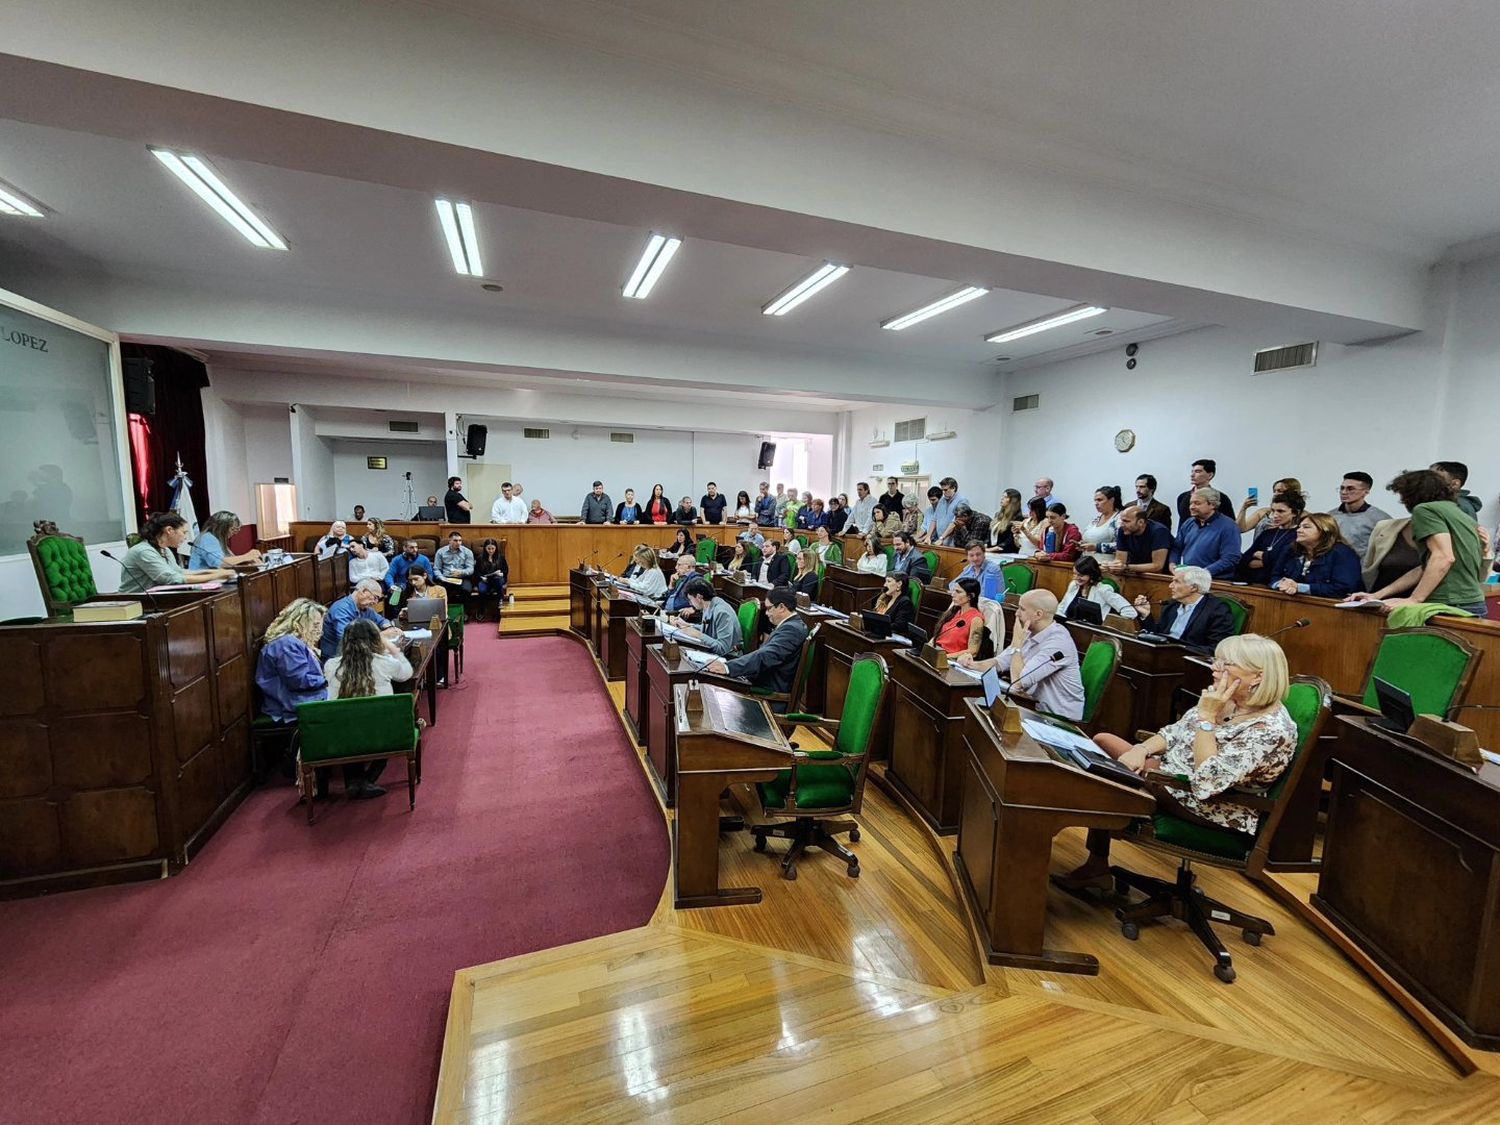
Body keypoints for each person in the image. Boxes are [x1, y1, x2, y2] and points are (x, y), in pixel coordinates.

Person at [1057, 634, 1298, 890]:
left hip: (1212, 804)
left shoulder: (1271, 729)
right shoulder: (1225, 700)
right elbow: (1173, 733)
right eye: (1216, 661)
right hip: (1167, 774)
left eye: (1226, 664)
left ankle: (1092, 859)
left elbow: (1206, 781)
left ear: (1258, 676)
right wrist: (1141, 749)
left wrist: (1207, 718)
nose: (1215, 669)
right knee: (1104, 742)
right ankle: (1096, 860)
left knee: (1113, 775)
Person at [1350, 469, 1486, 616]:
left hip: (1448, 604)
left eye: (1402, 495)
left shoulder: (1424, 510)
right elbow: (1426, 567)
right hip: (1473, 602)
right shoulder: (1460, 514)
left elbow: (1443, 557)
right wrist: (1377, 595)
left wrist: (1414, 599)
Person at [961, 589, 1084, 720]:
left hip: (1055, 718)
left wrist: (1018, 643)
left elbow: (1018, 682)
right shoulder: (1029, 631)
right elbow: (999, 663)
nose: (1016, 613)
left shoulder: (1058, 643)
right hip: (1030, 706)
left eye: (1022, 609)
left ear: (1038, 614)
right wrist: (972, 664)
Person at [324, 619, 412, 799]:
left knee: (350, 723)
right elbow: (406, 673)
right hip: (381, 731)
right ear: (375, 640)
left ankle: (354, 781)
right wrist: (394, 650)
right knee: (385, 726)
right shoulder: (384, 663)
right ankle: (366, 780)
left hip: (342, 733)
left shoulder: (331, 665)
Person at [706, 587, 810, 700]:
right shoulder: (792, 625)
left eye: (769, 608)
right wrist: (728, 662)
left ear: (781, 607)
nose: (766, 613)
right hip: (761, 680)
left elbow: (767, 656)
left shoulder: (792, 630)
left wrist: (728, 668)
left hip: (769, 691)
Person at [253, 597, 328, 725]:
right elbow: (298, 681)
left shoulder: (293, 642)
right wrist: (327, 679)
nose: (318, 630)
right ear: (298, 623)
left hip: (297, 700)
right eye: (315, 625)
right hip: (289, 705)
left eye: (319, 625)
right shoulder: (287, 644)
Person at [118, 512, 235, 593]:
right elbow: (172, 578)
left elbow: (179, 572)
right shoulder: (143, 551)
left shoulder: (164, 549)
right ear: (169, 530)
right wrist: (217, 575)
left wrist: (214, 572)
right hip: (134, 603)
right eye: (184, 532)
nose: (185, 537)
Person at [1131, 566, 1235, 650]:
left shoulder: (1217, 610)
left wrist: (1181, 650)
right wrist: (1146, 615)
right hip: (1164, 655)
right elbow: (1158, 635)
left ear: (1194, 587)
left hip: (1189, 662)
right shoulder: (1171, 605)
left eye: (1176, 582)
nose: (1170, 586)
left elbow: (1216, 648)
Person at [1271, 513, 1363, 599]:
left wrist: (1299, 587)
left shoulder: (1342, 553)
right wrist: (1281, 585)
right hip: (1295, 602)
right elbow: (1275, 576)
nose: (1298, 530)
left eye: (1306, 527)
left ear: (1324, 531)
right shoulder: (1290, 550)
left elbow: (1343, 588)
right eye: (1299, 527)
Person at [1234, 491, 1305, 586]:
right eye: (1273, 511)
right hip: (1253, 582)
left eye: (1280, 511)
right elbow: (1245, 559)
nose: (1275, 515)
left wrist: (1263, 557)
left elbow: (1283, 563)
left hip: (1278, 584)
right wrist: (1268, 558)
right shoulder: (1267, 533)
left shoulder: (1298, 535)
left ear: (1295, 513)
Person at [1170, 488, 1242, 577]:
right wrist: (1173, 565)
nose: (1191, 507)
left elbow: (1230, 558)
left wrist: (1202, 573)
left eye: (1197, 503)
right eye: (1191, 503)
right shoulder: (1189, 523)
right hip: (1189, 578)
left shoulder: (1229, 526)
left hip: (1216, 581)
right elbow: (1176, 548)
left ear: (1212, 504)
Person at [668, 578, 743, 656]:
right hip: (711, 652)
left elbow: (722, 649)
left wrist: (697, 634)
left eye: (690, 599)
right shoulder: (708, 605)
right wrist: (687, 625)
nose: (690, 604)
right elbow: (708, 628)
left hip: (728, 657)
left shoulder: (722, 613)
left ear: (699, 597)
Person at [320, 578, 391, 659]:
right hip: (337, 659)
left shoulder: (365, 608)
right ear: (363, 591)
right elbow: (347, 638)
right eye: (375, 597)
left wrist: (389, 627)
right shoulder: (341, 609)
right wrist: (378, 636)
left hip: (355, 655)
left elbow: (381, 620)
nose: (376, 602)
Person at [1058, 555, 1138, 620]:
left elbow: (1130, 611)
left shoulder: (1103, 589)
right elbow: (1062, 607)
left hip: (1094, 634)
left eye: (1081, 575)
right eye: (1074, 574)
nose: (1076, 578)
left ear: (1091, 574)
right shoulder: (1074, 585)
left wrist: (1110, 624)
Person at [1330, 472, 1391, 556]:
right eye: (1342, 488)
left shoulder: (1381, 519)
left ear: (1365, 492)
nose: (1344, 492)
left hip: (1364, 567)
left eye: (1350, 489)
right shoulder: (1330, 516)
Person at [1106, 504, 1171, 574]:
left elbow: (1157, 566)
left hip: (1162, 576)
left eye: (1126, 521)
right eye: (1121, 521)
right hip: (1136, 572)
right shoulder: (1123, 530)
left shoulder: (1159, 531)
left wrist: (1127, 567)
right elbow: (1120, 561)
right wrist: (1111, 565)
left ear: (1141, 522)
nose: (1121, 524)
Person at [189, 510, 262, 569]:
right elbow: (219, 563)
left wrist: (247, 561)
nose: (235, 533)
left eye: (237, 530)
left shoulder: (218, 540)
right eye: (233, 529)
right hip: (204, 583)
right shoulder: (207, 538)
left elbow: (231, 560)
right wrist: (247, 556)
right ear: (222, 527)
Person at [934, 577, 986, 656]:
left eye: (958, 592)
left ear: (970, 596)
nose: (953, 594)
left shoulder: (976, 619)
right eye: (954, 591)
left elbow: (973, 651)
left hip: (951, 659)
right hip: (937, 652)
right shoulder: (954, 612)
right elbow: (939, 636)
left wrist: (945, 657)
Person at [1175, 460, 1236, 525]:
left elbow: (1230, 523)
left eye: (1197, 472)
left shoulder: (1221, 498)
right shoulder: (1182, 497)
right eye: (1192, 472)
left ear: (1210, 475)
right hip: (1185, 534)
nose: (1192, 475)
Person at [1237, 477, 1304, 533]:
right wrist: (1244, 508)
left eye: (1280, 491)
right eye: (1274, 491)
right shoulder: (1263, 512)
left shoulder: (1304, 516)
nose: (1275, 494)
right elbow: (1240, 529)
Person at [433, 530, 475, 613]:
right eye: (455, 540)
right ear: (449, 541)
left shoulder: (467, 552)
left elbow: (470, 569)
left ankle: (464, 613)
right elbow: (436, 568)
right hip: (446, 578)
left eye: (460, 540)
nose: (458, 543)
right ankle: (445, 613)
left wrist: (461, 572)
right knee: (442, 591)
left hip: (462, 578)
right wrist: (442, 578)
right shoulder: (440, 552)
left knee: (466, 590)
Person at [1079, 486, 1124, 554]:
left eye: (1100, 500)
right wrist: (1081, 544)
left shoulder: (1120, 519)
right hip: (1086, 560)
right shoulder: (1096, 519)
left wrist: (1097, 547)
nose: (1096, 503)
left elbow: (1123, 545)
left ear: (1111, 500)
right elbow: (1087, 538)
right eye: (1095, 500)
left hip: (1106, 562)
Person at [473, 538, 509, 620]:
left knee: (497, 579)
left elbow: (505, 570)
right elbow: (476, 571)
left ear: (496, 548)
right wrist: (481, 577)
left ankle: (501, 600)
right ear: (485, 548)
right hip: (484, 580)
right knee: (482, 591)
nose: (491, 551)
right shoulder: (480, 558)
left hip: (498, 579)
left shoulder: (501, 557)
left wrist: (502, 573)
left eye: (493, 548)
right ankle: (482, 608)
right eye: (488, 548)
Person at [929, 477, 968, 544]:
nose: (943, 493)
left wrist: (942, 538)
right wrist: (928, 536)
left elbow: (955, 521)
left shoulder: (962, 501)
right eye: (942, 490)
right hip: (940, 540)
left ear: (953, 488)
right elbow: (934, 519)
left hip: (953, 542)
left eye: (946, 490)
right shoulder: (941, 501)